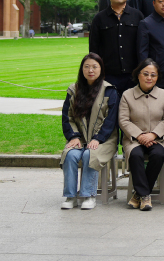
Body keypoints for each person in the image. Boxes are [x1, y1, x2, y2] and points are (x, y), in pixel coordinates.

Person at [60, 53, 118, 210]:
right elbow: (67, 117)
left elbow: (111, 121)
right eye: (86, 67)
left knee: (89, 154)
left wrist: (98, 138)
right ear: (82, 69)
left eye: (94, 67)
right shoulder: (74, 90)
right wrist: (73, 136)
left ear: (101, 69)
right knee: (70, 155)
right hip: (79, 138)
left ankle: (88, 195)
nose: (90, 70)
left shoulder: (109, 91)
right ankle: (71, 196)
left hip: (104, 140)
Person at [118, 59, 164, 211]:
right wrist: (140, 136)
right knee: (135, 155)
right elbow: (123, 120)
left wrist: (153, 135)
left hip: (158, 139)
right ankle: (145, 195)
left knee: (157, 155)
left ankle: (139, 195)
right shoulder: (127, 95)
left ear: (157, 77)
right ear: (138, 75)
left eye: (153, 75)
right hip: (133, 139)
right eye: (146, 74)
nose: (149, 78)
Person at [89, 0, 144, 92]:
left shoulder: (137, 16)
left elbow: (143, 45)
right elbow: (94, 48)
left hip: (133, 74)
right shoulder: (99, 18)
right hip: (108, 75)